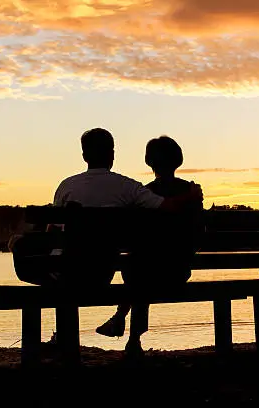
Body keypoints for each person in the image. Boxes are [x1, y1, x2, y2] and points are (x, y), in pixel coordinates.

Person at [12, 129, 203, 350]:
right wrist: (190, 197)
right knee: (139, 266)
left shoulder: (68, 186)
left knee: (138, 269)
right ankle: (129, 335)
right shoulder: (133, 189)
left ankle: (116, 331)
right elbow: (191, 228)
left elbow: (53, 231)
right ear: (112, 154)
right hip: (122, 271)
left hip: (79, 271)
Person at [95, 136, 203, 356]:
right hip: (178, 270)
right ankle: (127, 330)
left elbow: (130, 237)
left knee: (139, 270)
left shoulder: (142, 194)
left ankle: (128, 329)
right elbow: (199, 234)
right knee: (144, 270)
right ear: (178, 160)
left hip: (143, 271)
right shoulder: (190, 192)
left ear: (149, 162)